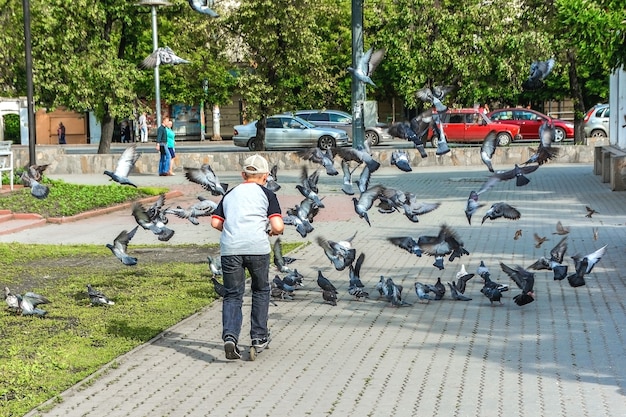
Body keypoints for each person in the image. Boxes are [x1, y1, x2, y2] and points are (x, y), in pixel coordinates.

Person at [210, 154, 285, 360]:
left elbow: (215, 223)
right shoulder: (267, 194)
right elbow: (278, 226)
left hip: (231, 249)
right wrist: (273, 232)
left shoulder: (230, 194)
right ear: (266, 176)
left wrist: (233, 230)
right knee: (260, 290)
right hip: (257, 248)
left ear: (243, 174)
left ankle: (230, 337)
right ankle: (259, 337)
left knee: (232, 294)